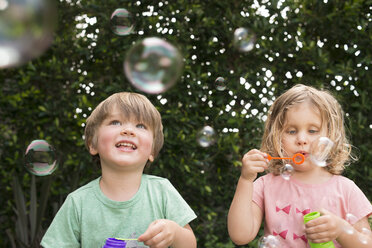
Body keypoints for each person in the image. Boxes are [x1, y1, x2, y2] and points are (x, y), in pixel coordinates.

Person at [41, 92, 197, 248]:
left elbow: (190, 245)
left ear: (152, 151)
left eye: (140, 126)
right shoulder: (78, 203)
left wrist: (175, 232)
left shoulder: (162, 191)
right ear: (92, 144)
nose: (128, 130)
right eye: (115, 122)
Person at [228, 84, 372, 247]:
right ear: (277, 137)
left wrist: (341, 230)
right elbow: (240, 236)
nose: (302, 139)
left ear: (331, 135)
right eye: (291, 131)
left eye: (312, 131)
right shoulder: (265, 185)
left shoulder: (347, 190)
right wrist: (246, 180)